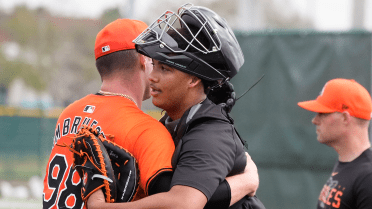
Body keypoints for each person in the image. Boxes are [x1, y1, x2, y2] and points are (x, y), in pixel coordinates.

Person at [43, 18, 259, 209]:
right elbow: (174, 201)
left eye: (164, 67)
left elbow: (182, 202)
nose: (153, 75)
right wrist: (245, 182)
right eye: (154, 63)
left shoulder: (68, 114)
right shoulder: (146, 128)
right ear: (142, 60)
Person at [298, 78, 372, 209]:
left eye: (322, 113)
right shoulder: (348, 164)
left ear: (344, 118)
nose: (315, 120)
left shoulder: (367, 177)